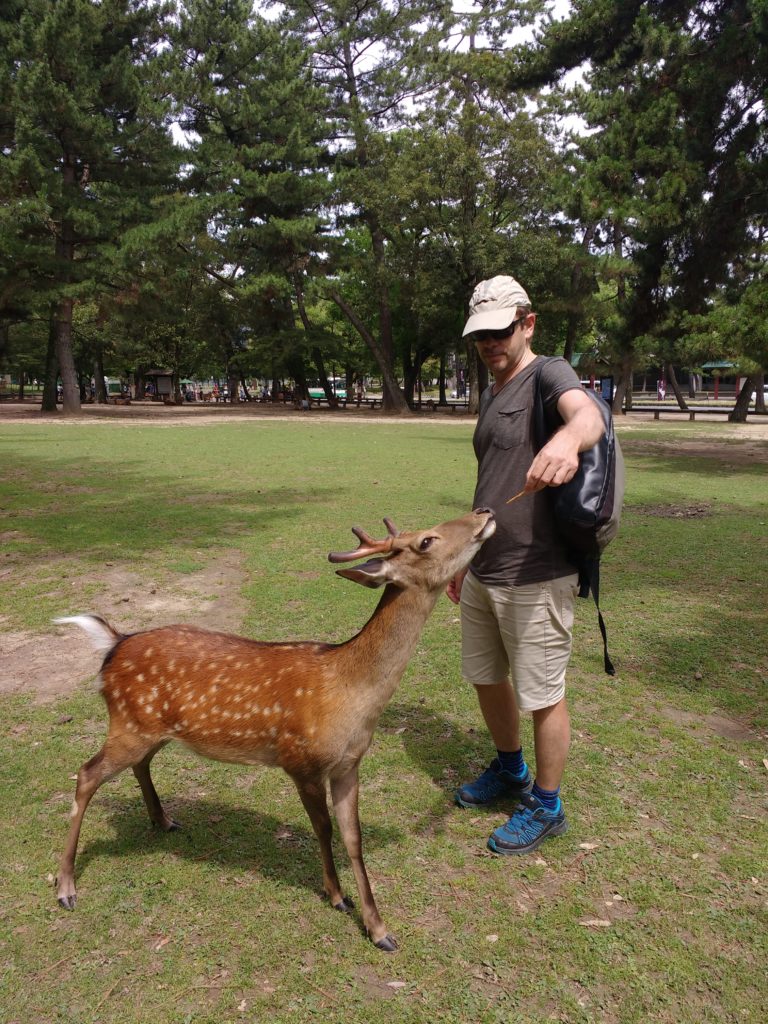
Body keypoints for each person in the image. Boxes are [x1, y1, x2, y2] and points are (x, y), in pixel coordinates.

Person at [446, 275, 605, 856]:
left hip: (537, 572)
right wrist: (466, 551)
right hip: (485, 565)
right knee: (486, 675)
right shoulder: (491, 391)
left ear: (527, 323)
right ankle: (510, 769)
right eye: (481, 335)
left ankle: (547, 803)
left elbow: (587, 417)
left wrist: (568, 442)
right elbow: (490, 480)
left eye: (501, 331)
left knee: (541, 692)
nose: (491, 343)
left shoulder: (548, 373)